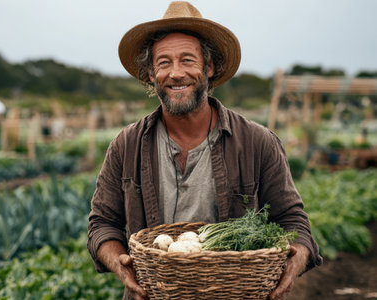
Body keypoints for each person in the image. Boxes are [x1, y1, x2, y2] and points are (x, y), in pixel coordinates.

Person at [87, 2, 322, 299]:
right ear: (150, 73)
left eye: (187, 60)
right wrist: (122, 266)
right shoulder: (127, 145)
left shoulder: (257, 142)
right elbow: (102, 224)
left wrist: (295, 261)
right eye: (163, 63)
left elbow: (293, 221)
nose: (175, 73)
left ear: (209, 67)